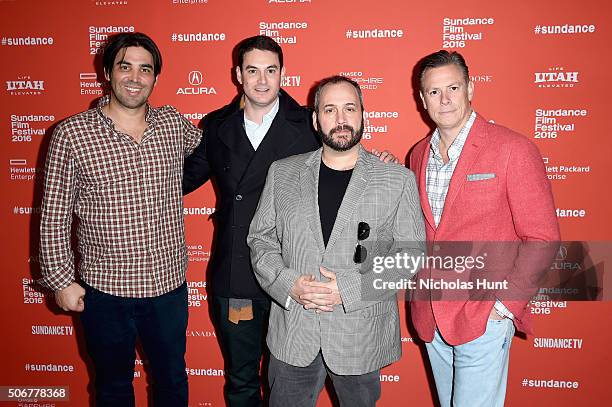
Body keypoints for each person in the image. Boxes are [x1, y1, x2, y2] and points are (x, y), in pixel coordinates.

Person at [183, 36, 395, 407]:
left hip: (304, 275)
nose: (262, 80)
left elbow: (342, 150)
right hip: (240, 272)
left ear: (283, 74)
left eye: (271, 70)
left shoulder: (307, 122)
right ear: (238, 75)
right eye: (252, 70)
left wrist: (378, 167)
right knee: (242, 378)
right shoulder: (217, 126)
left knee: (292, 380)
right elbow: (182, 178)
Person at [39, 32, 201, 406]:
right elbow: (53, 216)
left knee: (173, 383)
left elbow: (212, 149)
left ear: (155, 78)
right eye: (125, 66)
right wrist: (61, 281)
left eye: (145, 69)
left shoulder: (172, 124)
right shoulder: (71, 134)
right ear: (108, 73)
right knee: (112, 388)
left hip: (167, 287)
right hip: (105, 292)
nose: (135, 77)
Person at [247, 75, 425, 407]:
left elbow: (410, 255)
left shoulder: (397, 179)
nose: (341, 119)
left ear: (363, 115)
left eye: (349, 108)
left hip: (359, 335)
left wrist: (347, 290)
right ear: (315, 119)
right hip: (294, 333)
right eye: (330, 110)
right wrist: (290, 284)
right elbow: (261, 240)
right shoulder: (282, 173)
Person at [409, 50, 560, 407]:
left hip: (483, 316)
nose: (444, 99)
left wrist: (504, 307)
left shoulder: (512, 149)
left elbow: (542, 237)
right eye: (433, 91)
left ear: (470, 88)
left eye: (453, 88)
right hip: (431, 314)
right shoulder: (416, 155)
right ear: (422, 98)